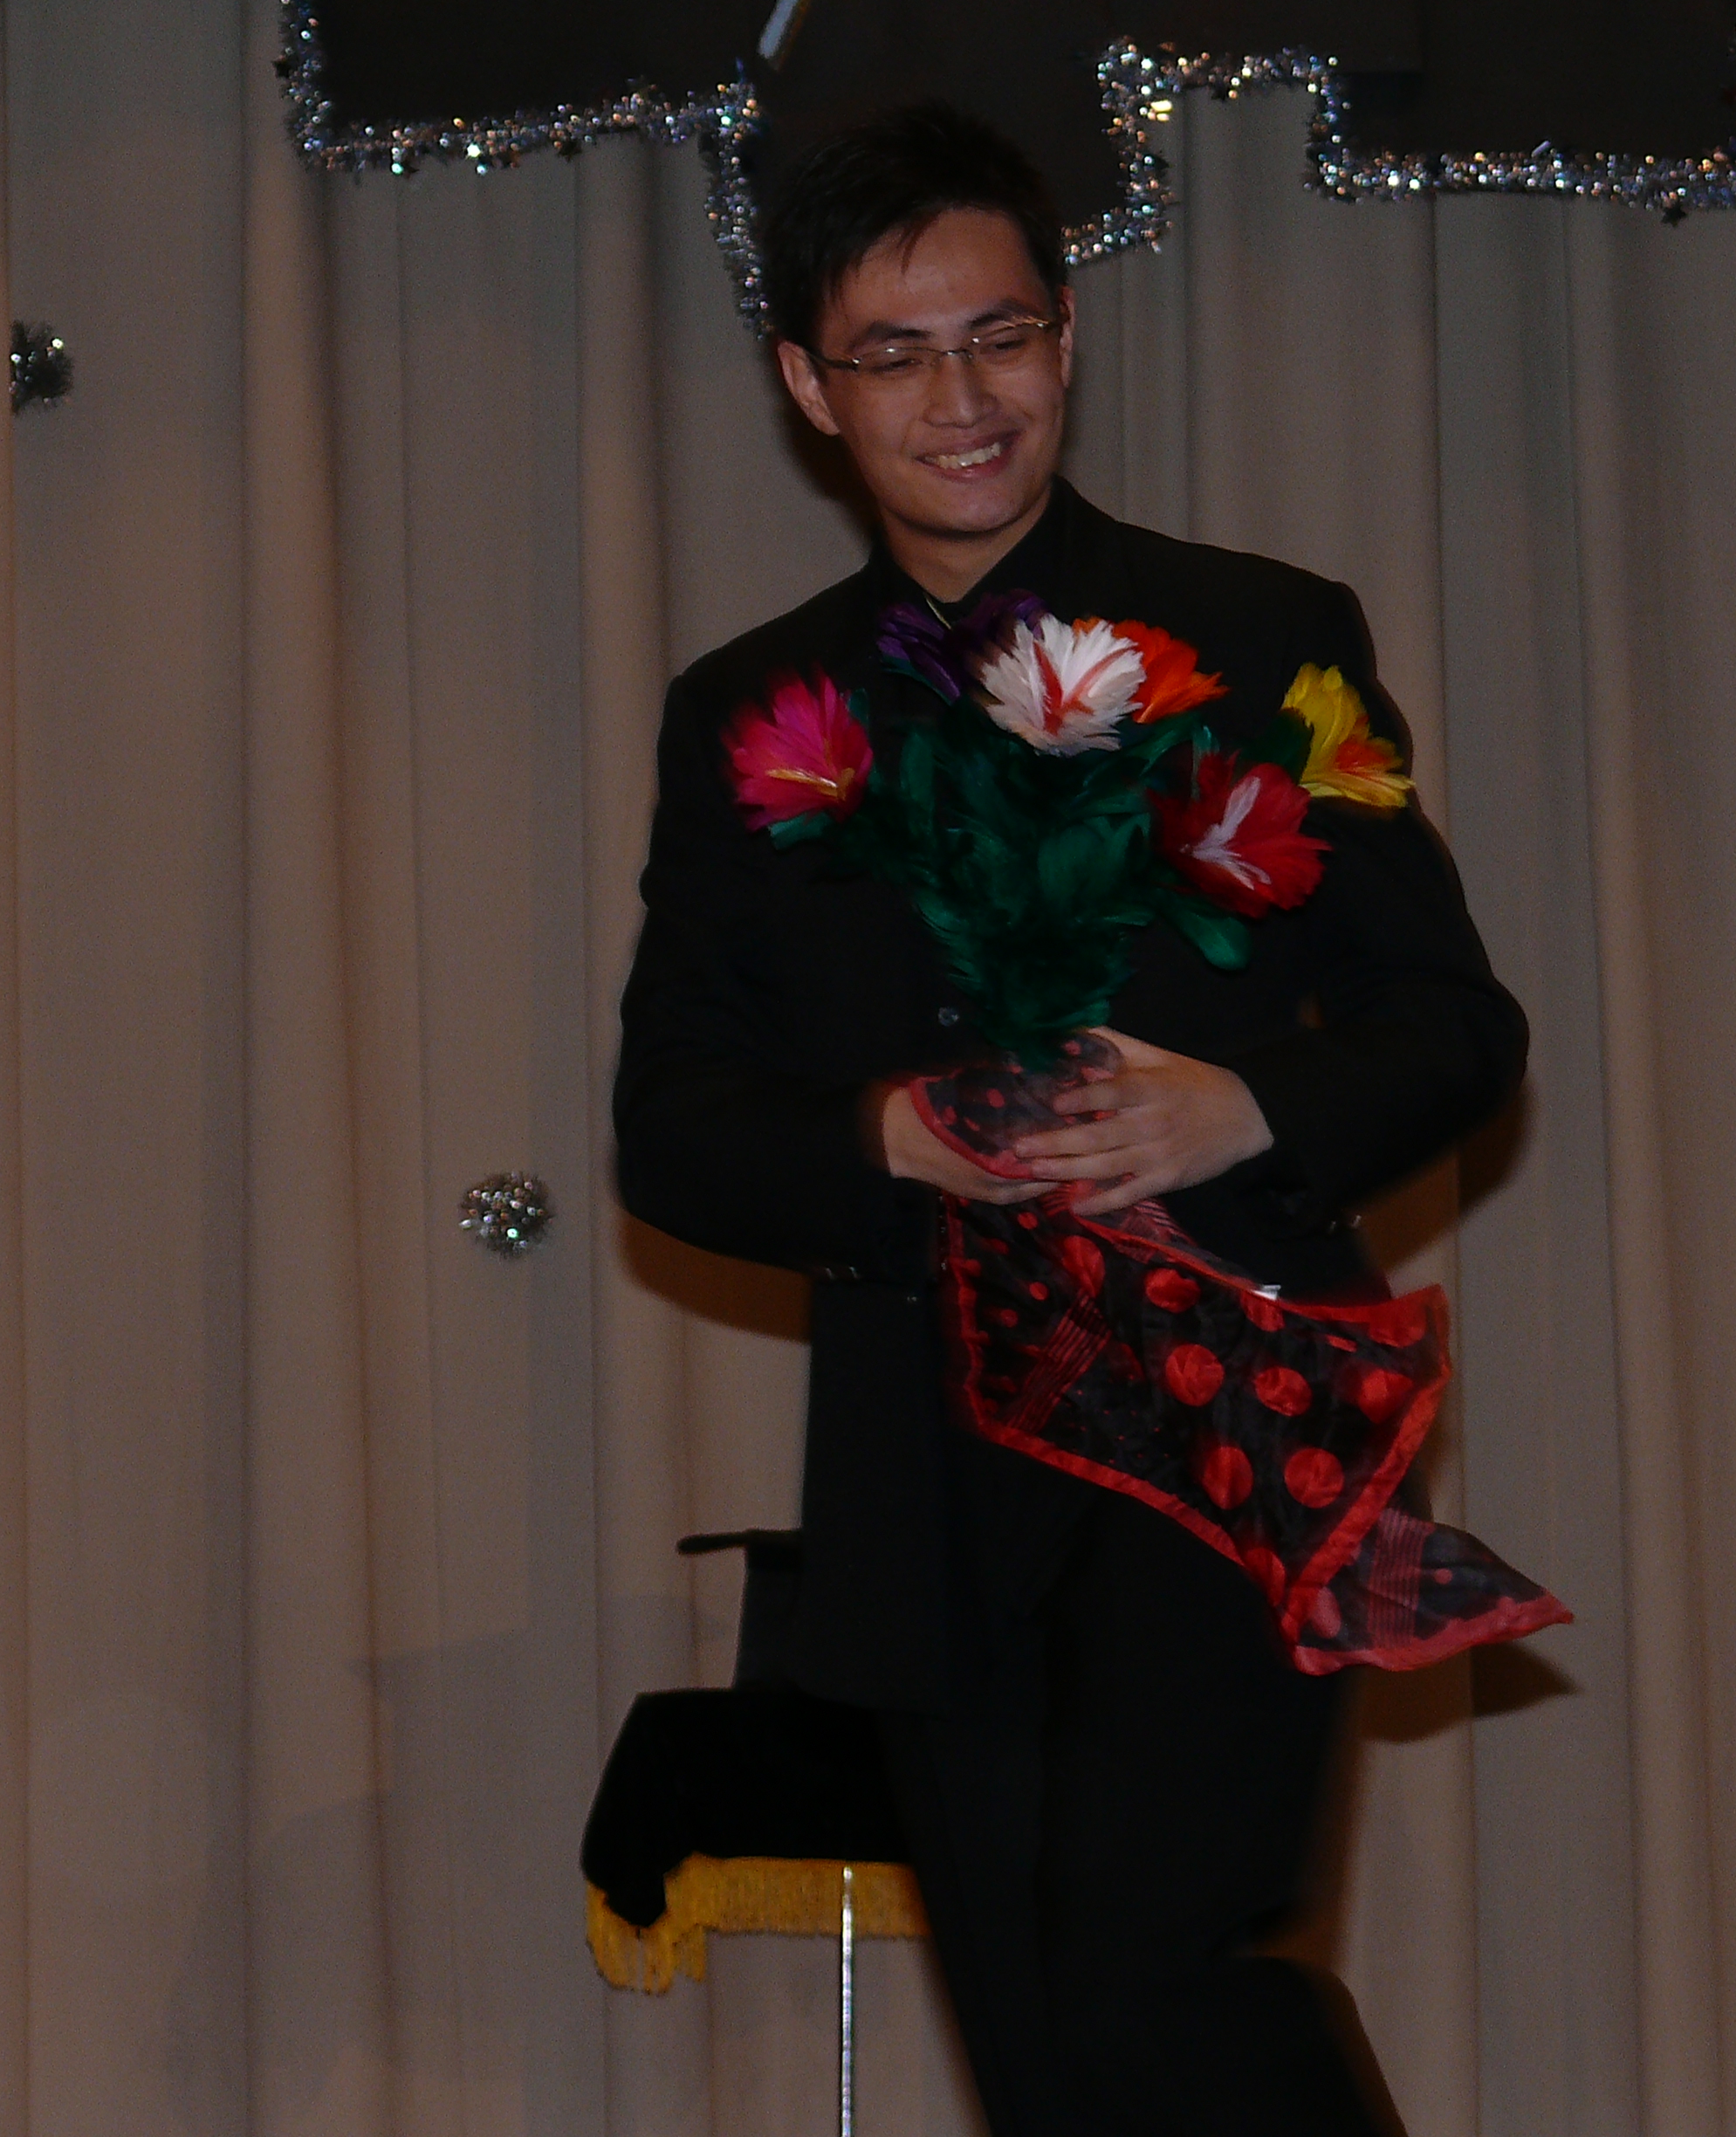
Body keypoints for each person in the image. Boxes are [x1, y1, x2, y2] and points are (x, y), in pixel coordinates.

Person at [612, 104, 1529, 2137]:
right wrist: (888, 1135)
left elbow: (1456, 1029)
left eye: (998, 336)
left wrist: (1238, 1107)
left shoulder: (1269, 640)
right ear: (809, 387)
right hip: (931, 1481)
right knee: (1042, 2060)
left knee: (1157, 1978)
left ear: (1068, 334)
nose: (962, 400)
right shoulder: (751, 716)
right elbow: (671, 1128)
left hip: (1225, 1428)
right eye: (895, 355)